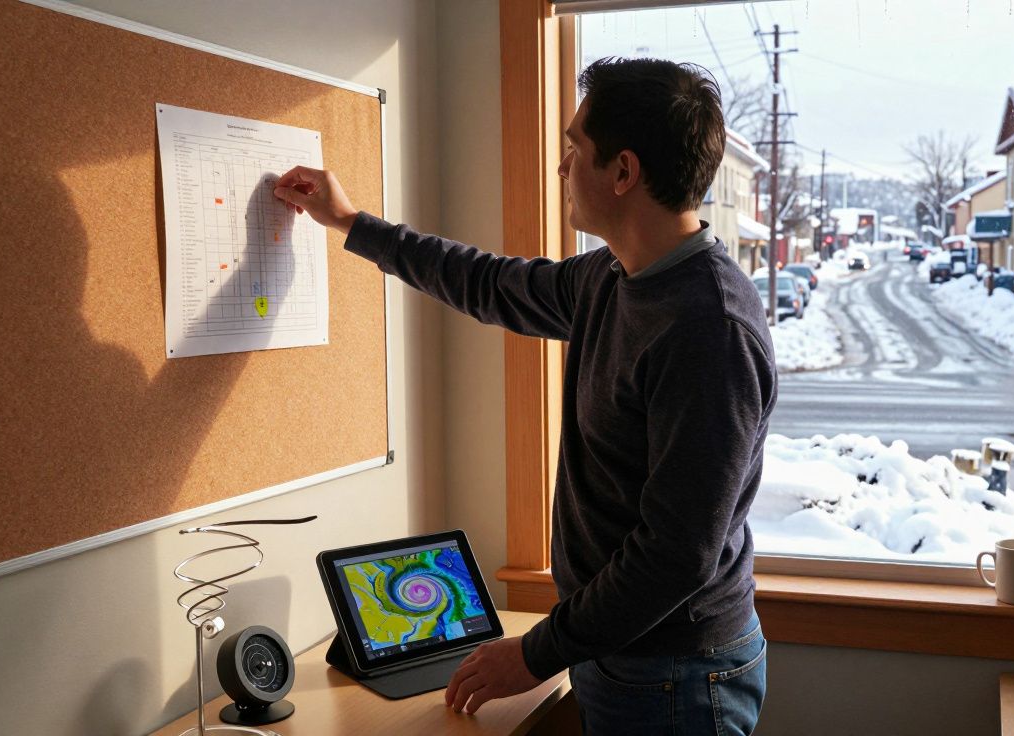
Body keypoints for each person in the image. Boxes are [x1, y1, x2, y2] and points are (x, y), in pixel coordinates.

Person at [274, 57, 776, 735]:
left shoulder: (709, 328)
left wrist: (538, 655)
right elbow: (487, 283)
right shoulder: (612, 277)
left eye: (575, 149)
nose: (562, 168)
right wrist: (352, 223)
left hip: (675, 675)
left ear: (623, 173)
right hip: (618, 652)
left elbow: (675, 554)